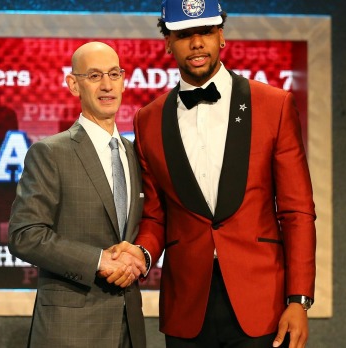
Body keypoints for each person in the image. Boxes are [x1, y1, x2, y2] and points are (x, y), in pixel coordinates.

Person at [113, 0, 317, 347]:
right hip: (186, 307)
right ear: (167, 41)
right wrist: (142, 254)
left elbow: (297, 211)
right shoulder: (147, 120)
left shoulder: (273, 104)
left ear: (221, 36)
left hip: (262, 303)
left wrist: (298, 300)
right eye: (184, 34)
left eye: (205, 32)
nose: (196, 43)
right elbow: (155, 215)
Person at [8, 41, 147, 348]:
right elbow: (25, 235)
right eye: (95, 76)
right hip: (69, 330)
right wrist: (99, 260)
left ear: (125, 80)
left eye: (114, 74)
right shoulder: (50, 152)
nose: (107, 85)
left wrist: (142, 257)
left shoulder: (136, 154)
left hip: (129, 327)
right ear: (74, 84)